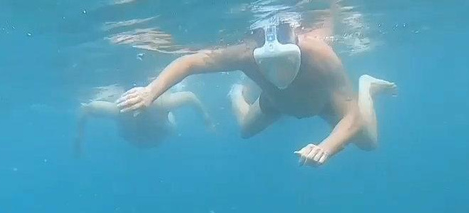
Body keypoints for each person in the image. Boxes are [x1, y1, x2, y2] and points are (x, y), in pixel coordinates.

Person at [116, 17, 397, 167]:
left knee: (368, 142)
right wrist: (151, 91)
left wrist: (327, 147)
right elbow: (191, 62)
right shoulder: (245, 54)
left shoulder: (319, 54)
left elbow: (351, 117)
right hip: (274, 103)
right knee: (245, 130)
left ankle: (366, 86)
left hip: (323, 104)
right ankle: (236, 93)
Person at [75, 87, 214, 155]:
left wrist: (79, 139)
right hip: (141, 136)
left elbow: (87, 108)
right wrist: (207, 121)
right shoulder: (121, 109)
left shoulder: (162, 103)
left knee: (170, 127)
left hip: (152, 135)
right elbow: (190, 97)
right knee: (170, 127)